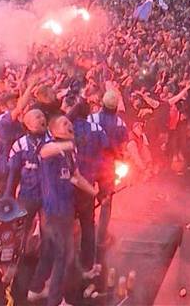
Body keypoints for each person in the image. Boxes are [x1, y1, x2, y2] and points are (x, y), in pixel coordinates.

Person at [30, 114, 98, 306]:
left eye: (70, 122)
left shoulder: (69, 153)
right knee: (64, 255)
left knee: (51, 252)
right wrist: (68, 144)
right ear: (54, 130)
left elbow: (75, 177)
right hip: (55, 211)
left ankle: (35, 290)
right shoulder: (49, 146)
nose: (70, 125)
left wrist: (93, 191)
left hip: (65, 211)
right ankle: (56, 301)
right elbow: (44, 152)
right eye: (64, 123)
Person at [87, 90, 129, 268]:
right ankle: (101, 237)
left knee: (87, 202)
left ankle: (87, 234)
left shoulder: (91, 119)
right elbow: (122, 146)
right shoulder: (120, 123)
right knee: (106, 203)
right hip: (106, 167)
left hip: (89, 165)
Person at [71, 103, 109, 277]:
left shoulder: (65, 129)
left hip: (67, 185)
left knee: (66, 226)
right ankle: (87, 265)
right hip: (88, 184)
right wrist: (103, 187)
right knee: (87, 225)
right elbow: (105, 156)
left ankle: (68, 267)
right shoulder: (97, 129)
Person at [6, 109, 48, 246]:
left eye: (43, 116)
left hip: (49, 197)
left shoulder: (53, 142)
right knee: (21, 232)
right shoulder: (19, 145)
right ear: (28, 123)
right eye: (38, 117)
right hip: (27, 196)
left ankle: (45, 263)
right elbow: (13, 173)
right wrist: (8, 196)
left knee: (48, 234)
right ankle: (19, 260)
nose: (42, 118)